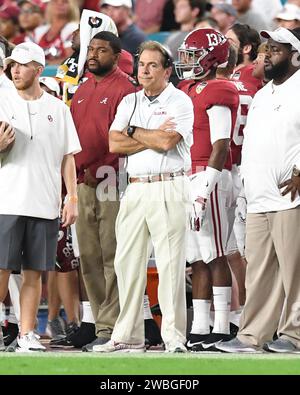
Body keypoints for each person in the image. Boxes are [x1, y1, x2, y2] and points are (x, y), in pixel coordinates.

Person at [94, 40, 194, 353]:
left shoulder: (180, 100)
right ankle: (128, 335)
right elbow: (114, 143)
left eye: (153, 65)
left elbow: (167, 142)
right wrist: (147, 134)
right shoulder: (130, 101)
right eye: (141, 65)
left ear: (167, 70)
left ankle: (175, 338)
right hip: (135, 186)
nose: (145, 71)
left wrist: (133, 132)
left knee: (170, 265)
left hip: (169, 184)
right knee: (126, 263)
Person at [217, 27, 300, 354]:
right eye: (266, 49)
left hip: (291, 197)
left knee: (295, 273)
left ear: (296, 56)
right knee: (260, 273)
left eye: (276, 50)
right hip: (259, 197)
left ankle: (295, 335)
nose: (267, 55)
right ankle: (253, 336)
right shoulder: (265, 93)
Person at [0, 42, 81, 352]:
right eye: (12, 66)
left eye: (21, 65)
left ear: (38, 68)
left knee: (35, 273)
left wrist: (71, 197)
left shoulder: (58, 109)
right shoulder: (2, 101)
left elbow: (68, 158)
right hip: (7, 200)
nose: (15, 70)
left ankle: (26, 334)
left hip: (45, 203)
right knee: (2, 270)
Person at [70, 31, 136, 352]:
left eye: (101, 50)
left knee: (112, 253)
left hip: (111, 178)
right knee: (89, 256)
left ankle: (114, 324)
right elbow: (72, 138)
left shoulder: (126, 88)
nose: (93, 54)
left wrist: (100, 168)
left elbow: (125, 138)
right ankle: (101, 323)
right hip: (82, 180)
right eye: (91, 49)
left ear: (116, 54)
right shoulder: (82, 87)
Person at [176, 28, 239, 351]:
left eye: (193, 55)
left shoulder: (219, 88)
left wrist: (206, 184)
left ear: (212, 58)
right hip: (189, 173)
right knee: (197, 257)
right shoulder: (189, 87)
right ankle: (200, 326)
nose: (186, 61)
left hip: (209, 175)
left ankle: (222, 324)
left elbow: (221, 142)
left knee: (214, 253)